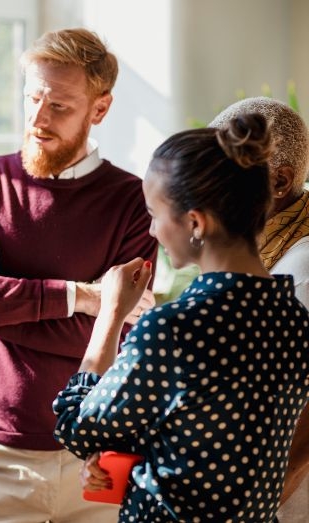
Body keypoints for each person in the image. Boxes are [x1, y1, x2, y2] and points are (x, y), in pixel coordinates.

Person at [0, 28, 158, 522]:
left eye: (59, 106)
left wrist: (0, 305)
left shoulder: (134, 202)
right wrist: (85, 297)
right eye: (32, 98)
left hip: (97, 462)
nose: (37, 118)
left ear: (99, 109)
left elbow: (119, 335)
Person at [53, 113, 309, 522]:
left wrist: (111, 314)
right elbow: (214, 437)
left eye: (155, 214)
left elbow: (77, 426)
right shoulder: (294, 320)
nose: (152, 231)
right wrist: (133, 460)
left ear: (195, 222)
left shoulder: (174, 329)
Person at [209, 96, 309, 521]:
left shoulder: (300, 273)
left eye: (221, 173)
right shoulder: (259, 249)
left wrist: (262, 496)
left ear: (279, 182)